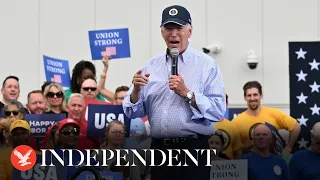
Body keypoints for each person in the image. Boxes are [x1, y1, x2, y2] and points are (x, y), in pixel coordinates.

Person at [123, 5, 226, 180]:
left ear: (190, 31)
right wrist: (136, 91)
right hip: (160, 150)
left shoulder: (206, 65)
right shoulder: (152, 66)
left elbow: (217, 111)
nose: (174, 34)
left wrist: (187, 93)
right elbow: (132, 111)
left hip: (193, 148)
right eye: (169, 28)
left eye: (179, 28)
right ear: (161, 32)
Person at [232, 81, 300, 155]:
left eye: (255, 95)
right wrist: (252, 144)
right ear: (245, 97)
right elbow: (236, 150)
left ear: (261, 95)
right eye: (249, 95)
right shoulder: (236, 122)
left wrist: (288, 148)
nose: (252, 98)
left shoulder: (274, 113)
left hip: (273, 162)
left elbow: (296, 127)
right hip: (250, 163)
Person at [214, 94, 243, 159]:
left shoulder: (233, 126)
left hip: (229, 167)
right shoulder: (204, 125)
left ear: (226, 105)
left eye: (222, 102)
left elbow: (238, 153)